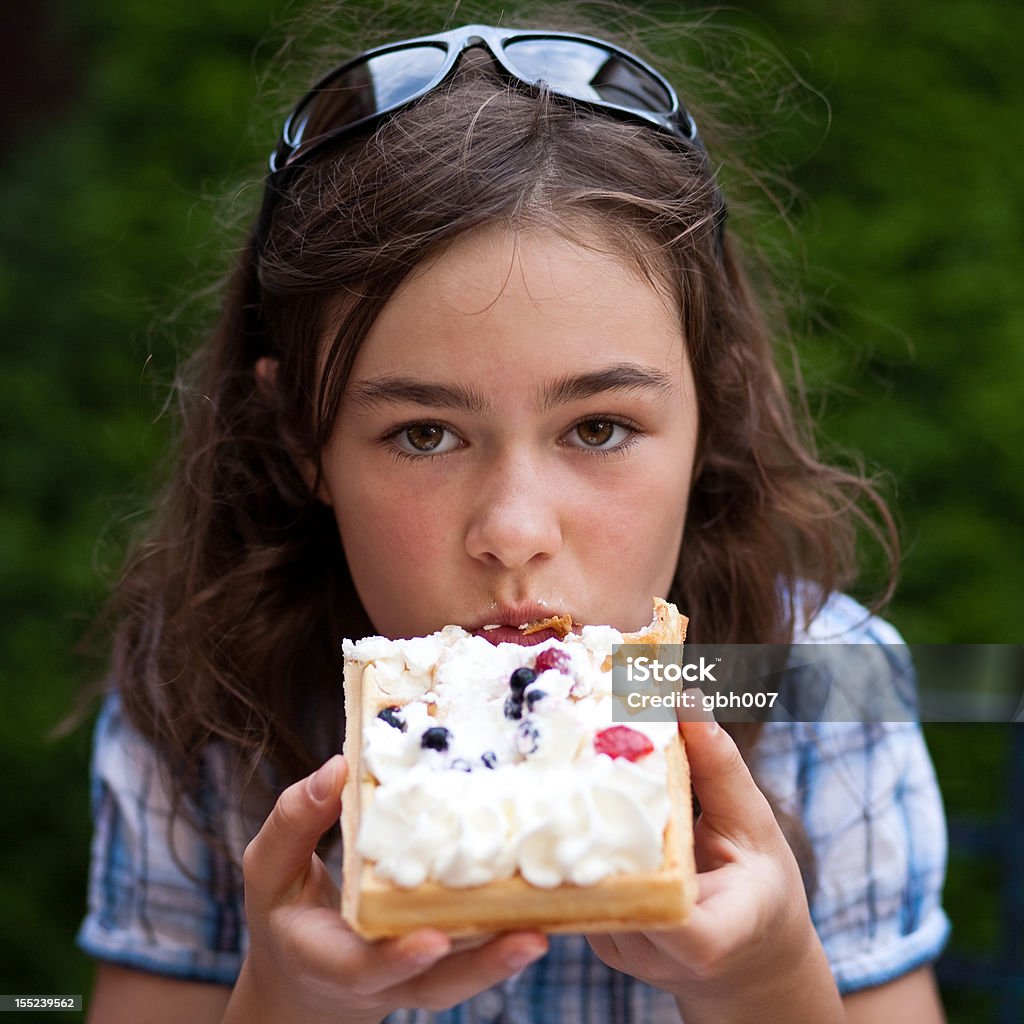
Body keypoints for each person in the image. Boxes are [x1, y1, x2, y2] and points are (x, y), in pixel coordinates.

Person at [78, 14, 950, 1024]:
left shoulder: (822, 683)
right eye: (422, 436)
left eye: (598, 427)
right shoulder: (198, 704)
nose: (515, 531)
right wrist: (286, 1001)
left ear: (710, 407)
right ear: (299, 437)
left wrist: (763, 981)